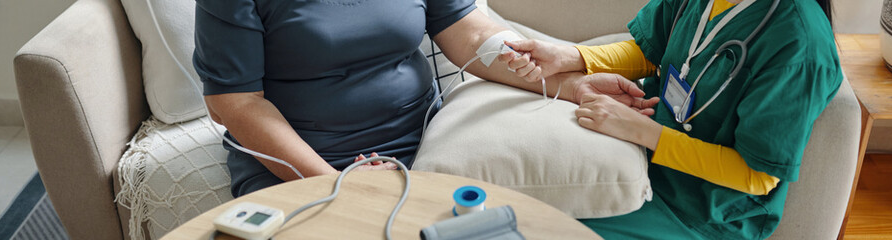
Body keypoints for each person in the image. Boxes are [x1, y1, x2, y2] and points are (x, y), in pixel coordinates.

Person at [193, 0, 645, 198]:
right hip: (304, 162)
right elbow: (234, 102)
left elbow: (470, 35)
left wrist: (569, 84)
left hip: (429, 141)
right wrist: (333, 183)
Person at [500, 0, 841, 239]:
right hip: (639, 158)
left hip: (703, 212)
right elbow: (649, 50)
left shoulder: (800, 45)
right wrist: (569, 56)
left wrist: (643, 131)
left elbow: (757, 176)